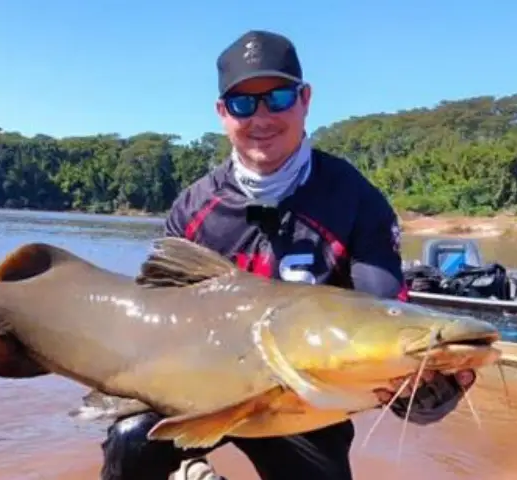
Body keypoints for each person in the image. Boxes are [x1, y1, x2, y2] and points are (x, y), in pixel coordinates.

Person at [99, 29, 477, 480]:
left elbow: (384, 316)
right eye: (243, 103)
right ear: (222, 113)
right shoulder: (193, 210)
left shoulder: (356, 201)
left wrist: (423, 393)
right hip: (204, 386)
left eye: (277, 98)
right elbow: (156, 325)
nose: (261, 117)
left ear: (305, 100)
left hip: (306, 403)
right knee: (131, 442)